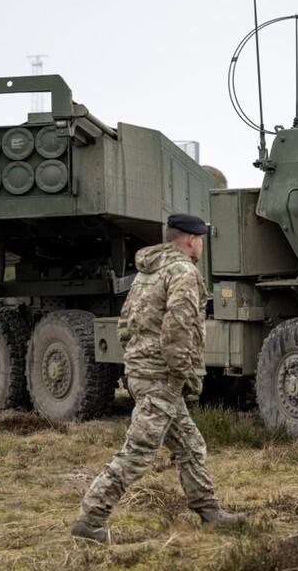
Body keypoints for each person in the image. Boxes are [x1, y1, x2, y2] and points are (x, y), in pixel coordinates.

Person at [71, 213, 245, 543]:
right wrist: (184, 375)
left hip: (143, 371)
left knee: (190, 445)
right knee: (138, 452)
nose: (202, 246)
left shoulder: (147, 273)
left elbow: (126, 324)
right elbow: (179, 329)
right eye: (201, 240)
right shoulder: (182, 272)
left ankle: (209, 511)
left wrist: (139, 361)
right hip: (161, 377)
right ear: (191, 240)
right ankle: (90, 518)